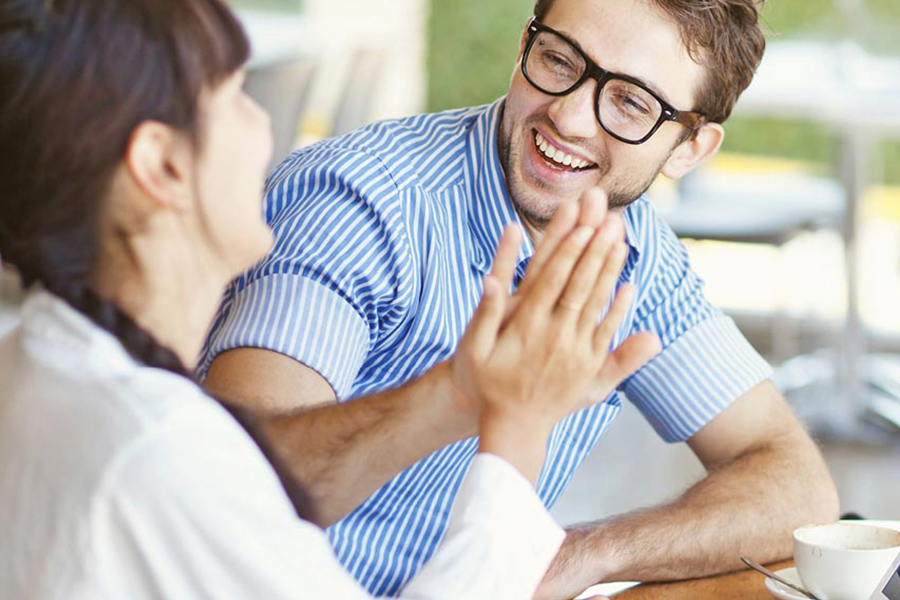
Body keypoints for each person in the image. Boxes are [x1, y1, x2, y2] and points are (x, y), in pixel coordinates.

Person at [0, 0, 660, 598]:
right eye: (236, 95)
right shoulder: (160, 454)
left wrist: (466, 390)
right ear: (162, 164)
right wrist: (520, 426)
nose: (265, 126)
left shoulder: (38, 365)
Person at [201, 0, 840, 598]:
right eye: (559, 60)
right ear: (524, 45)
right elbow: (233, 482)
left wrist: (575, 556)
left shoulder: (635, 249)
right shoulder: (362, 202)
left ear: (690, 147)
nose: (568, 116)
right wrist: (459, 395)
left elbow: (794, 484)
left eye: (630, 102)